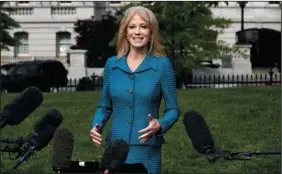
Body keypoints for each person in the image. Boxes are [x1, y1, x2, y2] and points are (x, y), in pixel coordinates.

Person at [89, 6, 180, 174]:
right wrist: (97, 125)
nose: (137, 32)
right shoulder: (112, 64)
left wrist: (160, 124)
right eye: (132, 27)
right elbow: (104, 106)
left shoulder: (163, 65)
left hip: (147, 150)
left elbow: (173, 109)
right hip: (115, 149)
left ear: (151, 32)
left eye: (143, 26)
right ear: (125, 32)